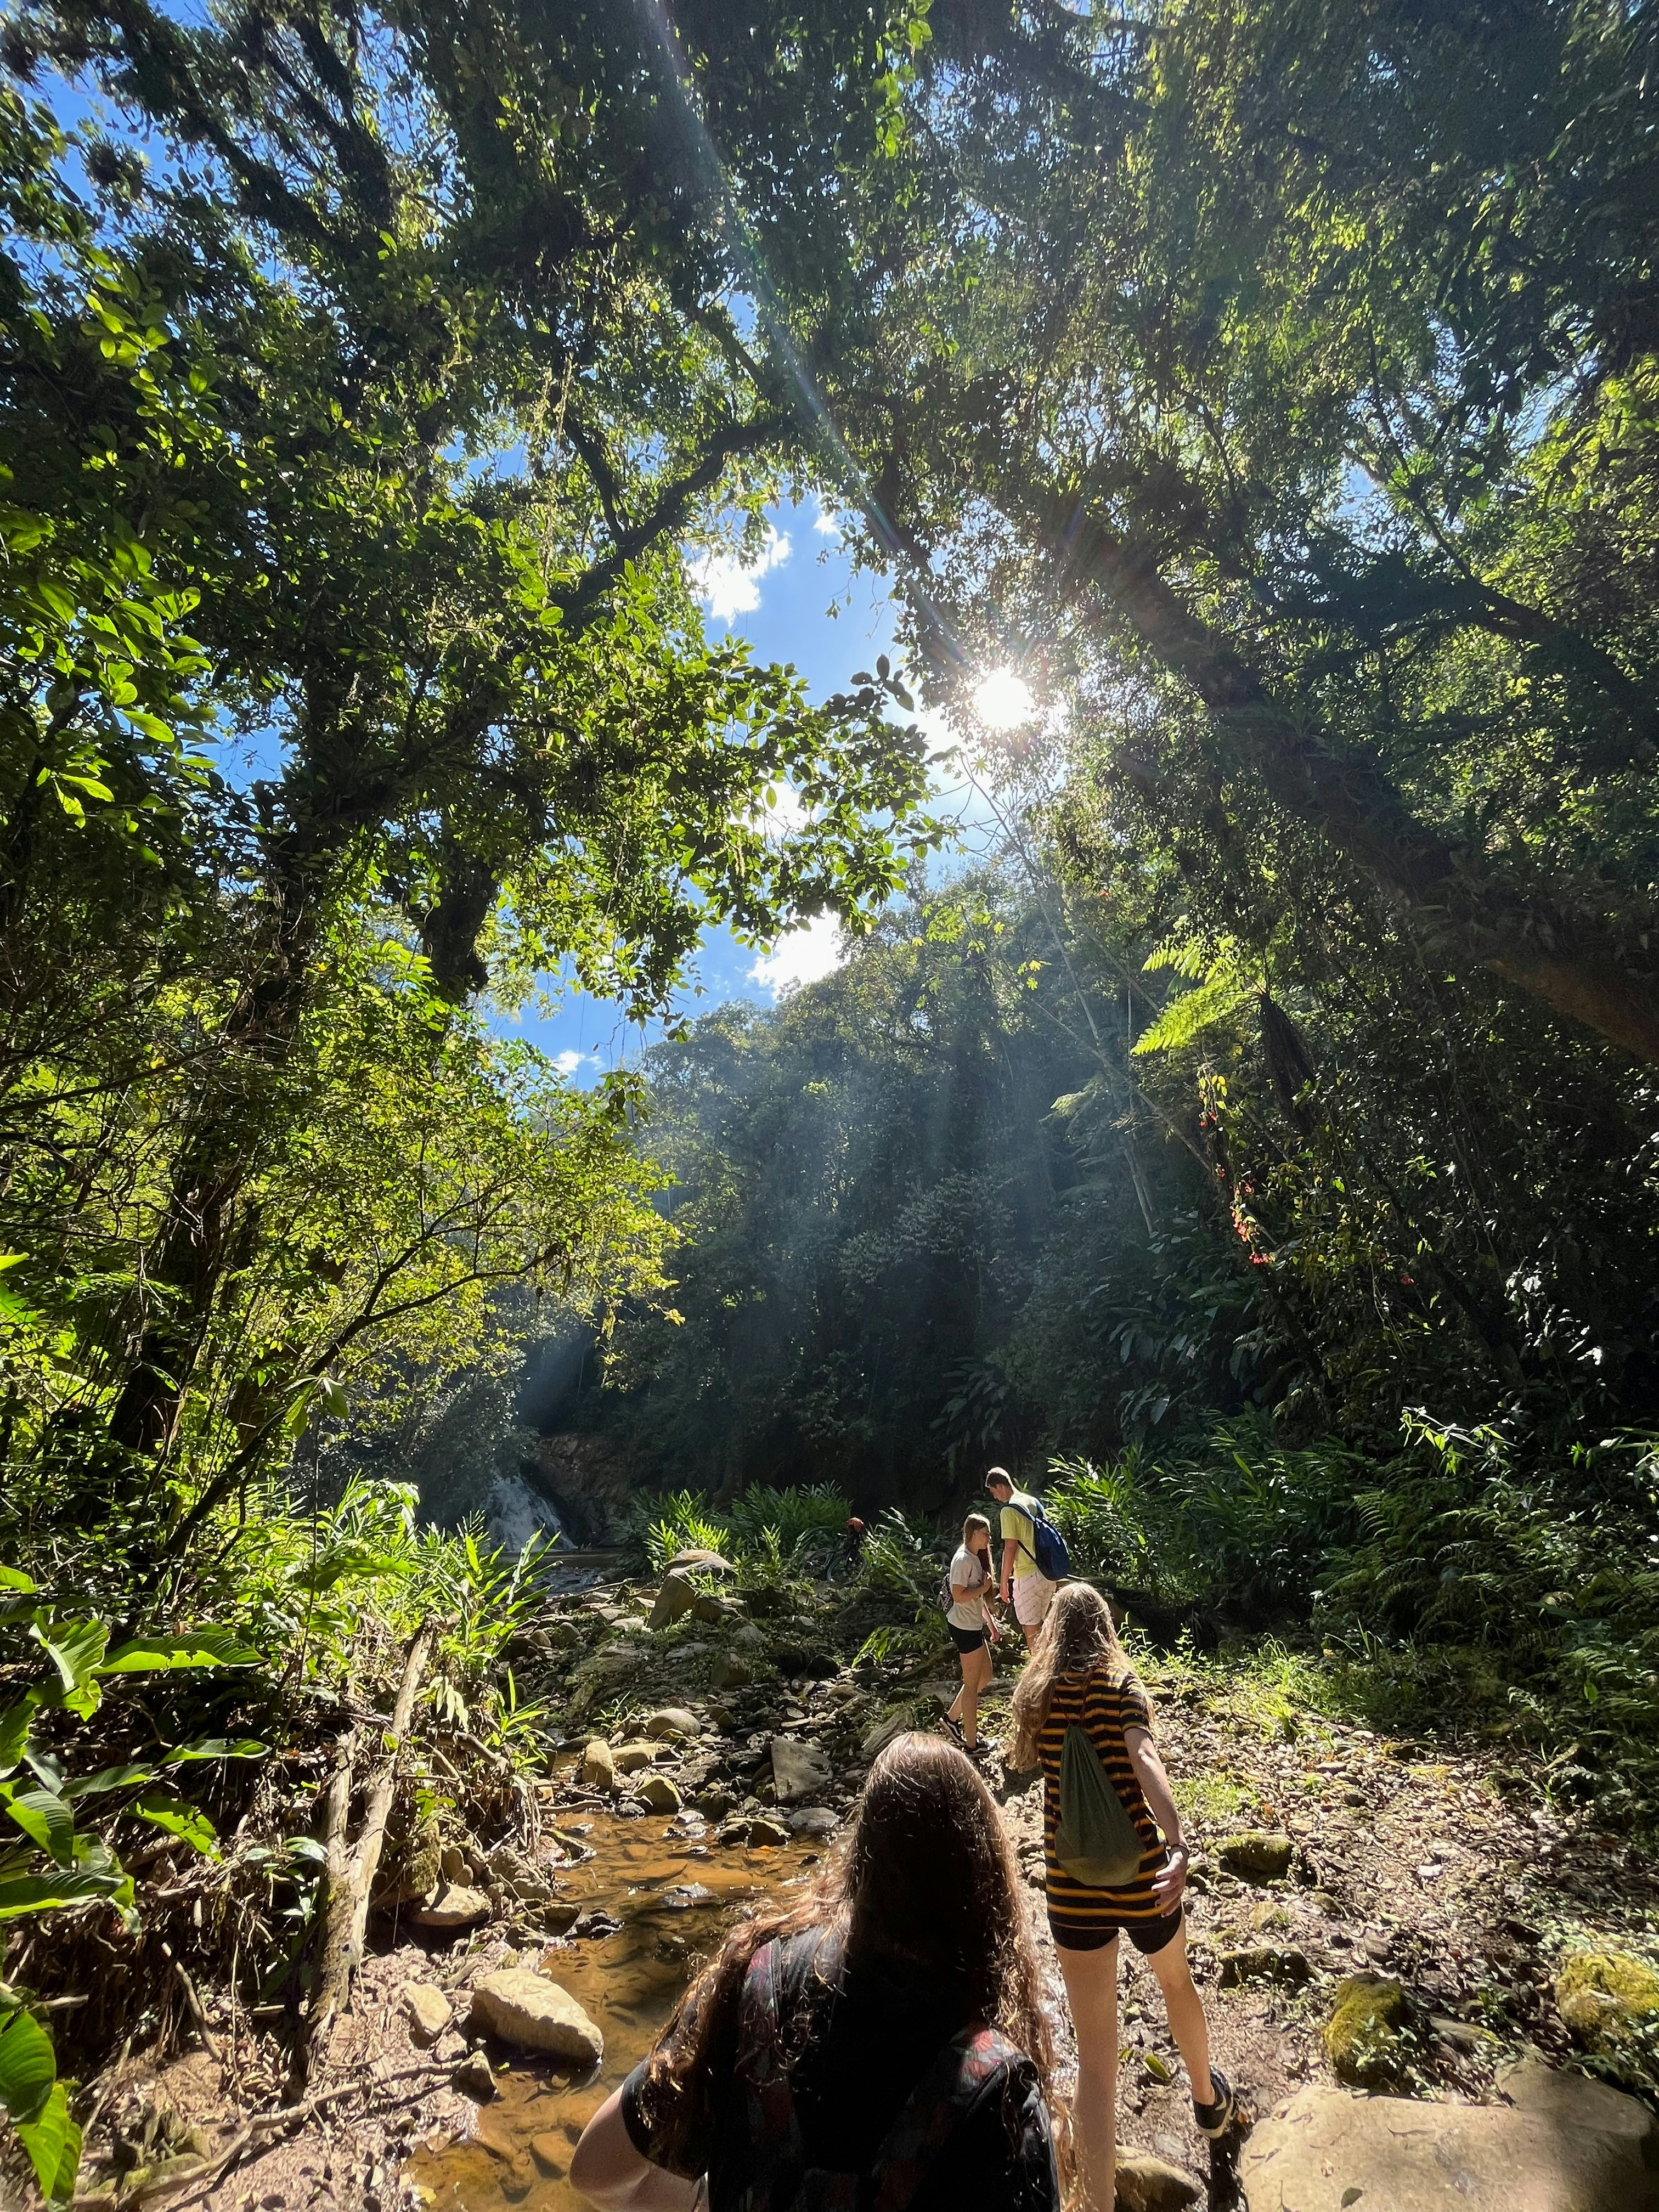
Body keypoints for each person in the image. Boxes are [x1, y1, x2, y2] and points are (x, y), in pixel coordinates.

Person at [571, 1734, 1063, 2212]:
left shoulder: (757, 1979)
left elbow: (595, 2170)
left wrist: (701, 2198)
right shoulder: (998, 2097)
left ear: (859, 1867)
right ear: (986, 1890)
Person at [1009, 1584, 1231, 2212]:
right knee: (1175, 1982)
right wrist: (1178, 1839)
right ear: (1104, 1626)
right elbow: (1144, 1757)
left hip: (1072, 1886)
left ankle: (1098, 2205)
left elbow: (1031, 1768)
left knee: (1098, 2060)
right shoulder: (1121, 1686)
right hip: (1143, 1878)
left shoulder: (1039, 1698)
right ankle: (1208, 2101)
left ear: (1053, 1629)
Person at [943, 1511, 1000, 1753]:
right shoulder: (963, 1560)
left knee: (984, 1676)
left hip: (974, 1624)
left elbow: (976, 1597)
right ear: (973, 1534)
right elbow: (959, 1596)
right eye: (985, 1534)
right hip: (964, 1628)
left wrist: (991, 1623)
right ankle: (972, 1744)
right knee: (972, 1684)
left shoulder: (975, 1558)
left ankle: (951, 1719)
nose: (989, 1538)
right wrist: (984, 1588)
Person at [987, 1466, 1054, 1650]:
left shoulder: (1008, 1510)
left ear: (1000, 1486)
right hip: (1048, 1574)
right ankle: (1051, 1670)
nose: (995, 1497)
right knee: (1044, 1628)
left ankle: (1041, 1675)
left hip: (1027, 1574)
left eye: (994, 1492)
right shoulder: (1033, 1502)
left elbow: (1010, 1548)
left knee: (1031, 1631)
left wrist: (1003, 1584)